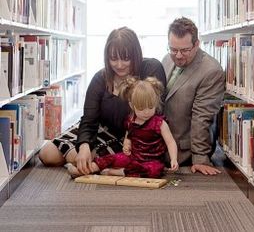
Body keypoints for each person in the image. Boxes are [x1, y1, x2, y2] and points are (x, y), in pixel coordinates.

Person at [38, 27, 166, 173]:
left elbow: (155, 112)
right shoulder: (101, 77)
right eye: (113, 59)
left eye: (125, 58)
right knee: (47, 154)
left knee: (86, 158)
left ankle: (86, 164)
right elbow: (89, 119)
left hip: (135, 136)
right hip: (101, 128)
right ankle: (86, 163)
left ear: (135, 55)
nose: (119, 65)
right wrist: (84, 145)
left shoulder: (151, 68)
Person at [70, 76, 178, 178]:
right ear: (132, 106)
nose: (146, 112)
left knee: (154, 171)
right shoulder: (131, 120)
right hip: (133, 157)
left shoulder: (159, 123)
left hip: (152, 161)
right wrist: (127, 143)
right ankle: (87, 169)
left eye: (150, 107)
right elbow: (129, 134)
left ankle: (117, 172)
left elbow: (170, 142)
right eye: (141, 108)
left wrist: (174, 159)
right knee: (111, 158)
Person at [162, 17, 225, 175]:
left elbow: (202, 117)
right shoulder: (166, 60)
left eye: (184, 50)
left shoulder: (211, 71)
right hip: (161, 147)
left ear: (197, 44)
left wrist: (200, 158)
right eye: (173, 49)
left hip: (186, 154)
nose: (178, 56)